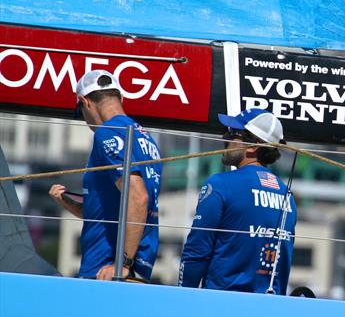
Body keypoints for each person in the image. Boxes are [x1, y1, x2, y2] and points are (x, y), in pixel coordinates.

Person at [49, 70, 162, 281]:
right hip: (135, 267)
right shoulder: (146, 137)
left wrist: (122, 263)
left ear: (85, 102)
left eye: (80, 111)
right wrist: (67, 203)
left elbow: (138, 197)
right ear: (120, 97)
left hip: (106, 270)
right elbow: (113, 210)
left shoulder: (107, 133)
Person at [179, 108, 297, 294]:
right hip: (270, 307)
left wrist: (182, 295)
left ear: (252, 146)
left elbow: (197, 251)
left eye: (232, 133)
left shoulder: (221, 184)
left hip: (222, 303)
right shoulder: (287, 194)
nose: (224, 138)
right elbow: (286, 261)